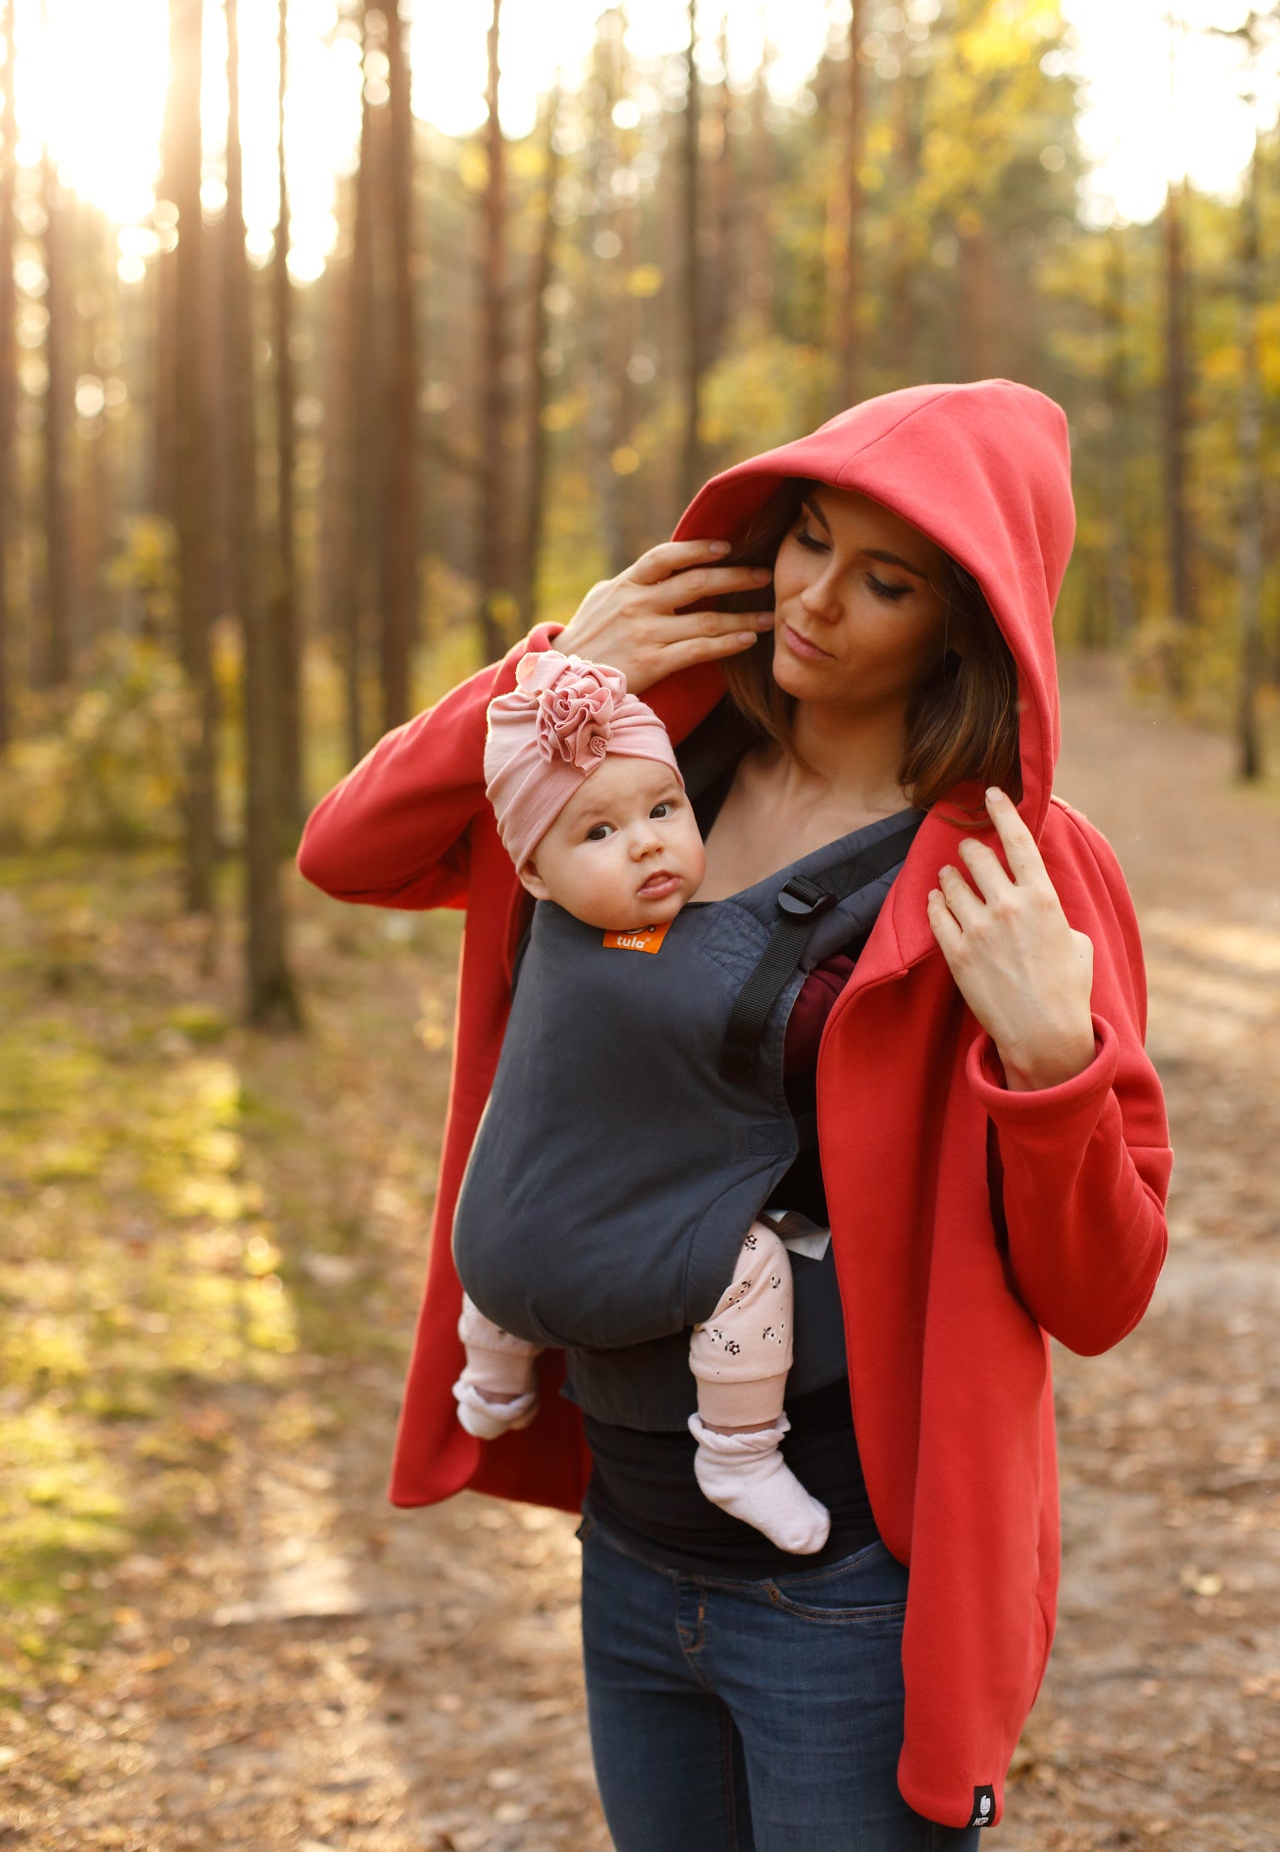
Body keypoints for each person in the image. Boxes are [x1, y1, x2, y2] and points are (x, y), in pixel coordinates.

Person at [296, 379, 1172, 1848]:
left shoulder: (1016, 872)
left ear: (965, 624)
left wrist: (1050, 1063)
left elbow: (1103, 1288)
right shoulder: (645, 761)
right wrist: (549, 673)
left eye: (882, 581)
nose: (814, 601)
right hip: (632, 1545)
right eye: (806, 540)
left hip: (840, 1587)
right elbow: (351, 849)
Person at [451, 644, 834, 1556]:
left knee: (507, 1215)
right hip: (594, 1237)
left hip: (501, 1243)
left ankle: (493, 1383)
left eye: (664, 809)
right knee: (750, 1268)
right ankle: (739, 1452)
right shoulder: (638, 948)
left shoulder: (563, 930)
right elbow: (719, 993)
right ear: (534, 879)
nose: (648, 842)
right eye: (598, 834)